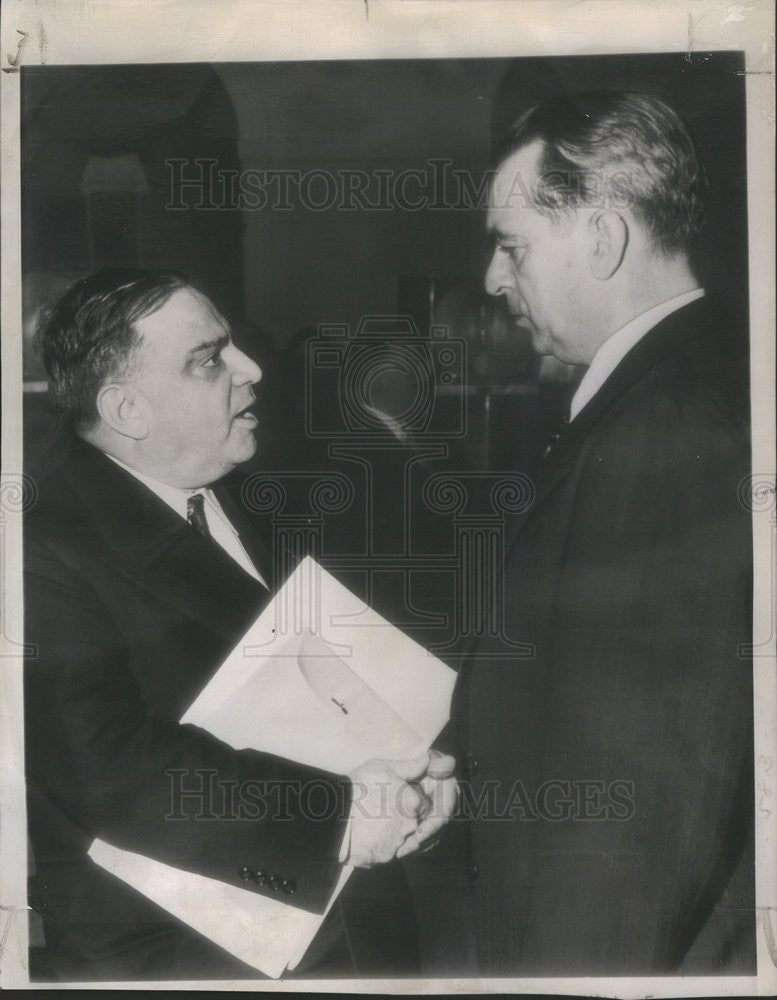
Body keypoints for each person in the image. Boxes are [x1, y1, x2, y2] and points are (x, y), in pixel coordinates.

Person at [24, 269, 456, 981]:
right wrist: (344, 817)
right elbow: (111, 768)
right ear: (127, 407)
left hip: (348, 926)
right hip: (181, 956)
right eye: (209, 358)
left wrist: (424, 767)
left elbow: (351, 662)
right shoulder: (39, 547)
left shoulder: (256, 485)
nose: (251, 368)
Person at [452, 92, 755, 974]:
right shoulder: (680, 382)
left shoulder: (667, 425)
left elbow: (646, 795)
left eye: (511, 247)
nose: (491, 281)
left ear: (602, 236)